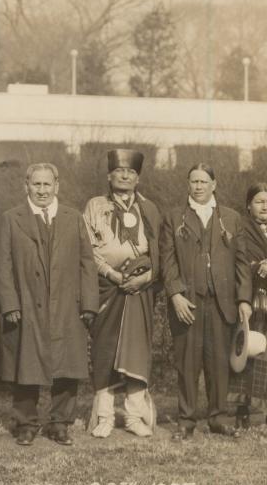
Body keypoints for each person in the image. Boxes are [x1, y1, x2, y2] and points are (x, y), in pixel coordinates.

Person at [0, 162, 98, 447]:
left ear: (57, 186)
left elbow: (87, 263)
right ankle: (26, 424)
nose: (42, 190)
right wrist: (10, 303)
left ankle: (60, 423)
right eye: (36, 184)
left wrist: (89, 304)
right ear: (26, 186)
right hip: (26, 305)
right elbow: (2, 266)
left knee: (67, 365)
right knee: (25, 365)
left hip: (66, 305)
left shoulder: (73, 218)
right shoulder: (11, 218)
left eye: (47, 184)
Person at [160, 163, 251, 440]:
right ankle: (186, 420)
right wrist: (175, 294)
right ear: (188, 185)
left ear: (214, 184)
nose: (198, 186)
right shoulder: (174, 217)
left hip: (223, 303)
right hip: (188, 303)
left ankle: (218, 418)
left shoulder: (232, 218)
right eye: (193, 181)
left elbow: (242, 263)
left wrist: (244, 299)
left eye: (203, 181)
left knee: (219, 363)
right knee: (187, 363)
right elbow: (167, 260)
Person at [82, 149, 162, 438]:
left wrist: (144, 279)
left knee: (137, 352)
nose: (125, 176)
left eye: (131, 172)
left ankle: (133, 416)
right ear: (109, 175)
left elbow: (160, 253)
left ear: (137, 178)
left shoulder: (149, 209)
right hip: (107, 288)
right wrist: (113, 275)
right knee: (105, 350)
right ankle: (104, 415)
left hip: (139, 291)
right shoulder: (94, 205)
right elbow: (87, 249)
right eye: (120, 171)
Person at [232, 183, 267, 428]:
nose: (265, 206)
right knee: (249, 349)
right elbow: (236, 260)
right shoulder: (241, 229)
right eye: (259, 201)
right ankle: (242, 409)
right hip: (252, 298)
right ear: (248, 205)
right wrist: (257, 267)